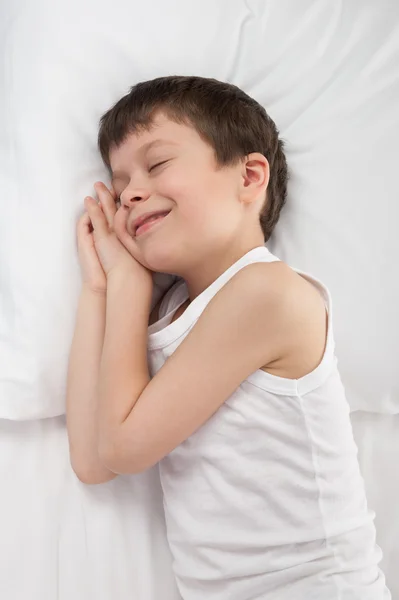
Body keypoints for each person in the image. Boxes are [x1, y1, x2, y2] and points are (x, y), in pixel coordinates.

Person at [66, 76, 391, 599]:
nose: (129, 194)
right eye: (119, 182)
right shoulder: (169, 312)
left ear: (249, 176)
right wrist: (99, 287)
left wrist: (128, 285)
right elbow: (93, 460)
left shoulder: (266, 293)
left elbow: (123, 449)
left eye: (158, 164)